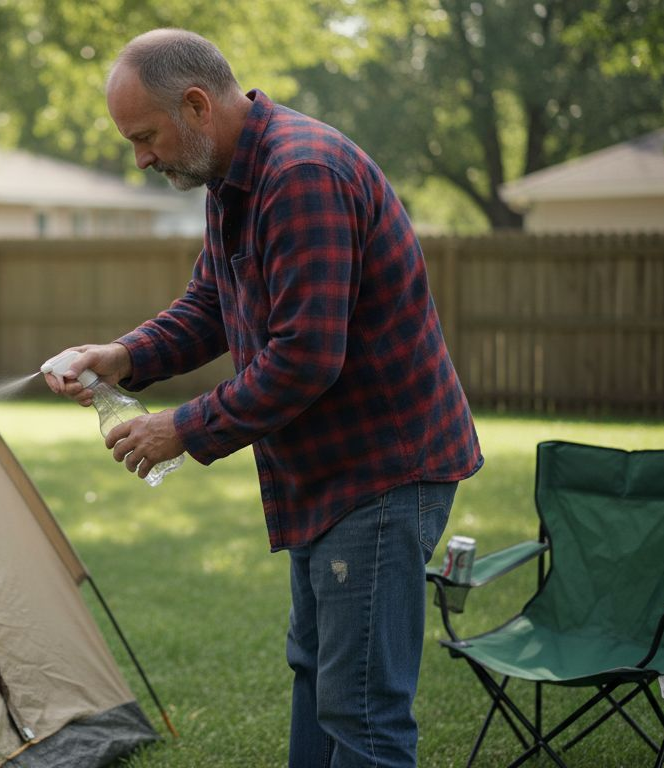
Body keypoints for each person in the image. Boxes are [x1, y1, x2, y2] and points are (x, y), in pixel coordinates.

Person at [43, 29, 483, 768]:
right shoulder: (234, 181)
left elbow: (307, 357)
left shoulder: (301, 174)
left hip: (379, 472)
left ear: (194, 105)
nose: (141, 158)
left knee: (363, 712)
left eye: (145, 137)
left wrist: (180, 428)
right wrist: (120, 355)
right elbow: (213, 303)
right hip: (327, 475)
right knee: (318, 679)